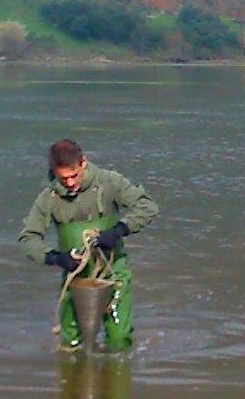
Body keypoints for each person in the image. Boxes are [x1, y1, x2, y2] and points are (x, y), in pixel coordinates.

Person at [18, 139, 158, 351]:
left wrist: (119, 230)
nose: (71, 183)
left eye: (74, 176)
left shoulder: (109, 181)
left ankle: (115, 376)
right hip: (75, 277)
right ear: (54, 171)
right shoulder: (48, 198)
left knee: (119, 340)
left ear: (83, 162)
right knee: (71, 343)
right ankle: (74, 379)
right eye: (63, 178)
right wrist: (55, 257)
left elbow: (147, 207)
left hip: (113, 272)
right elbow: (28, 239)